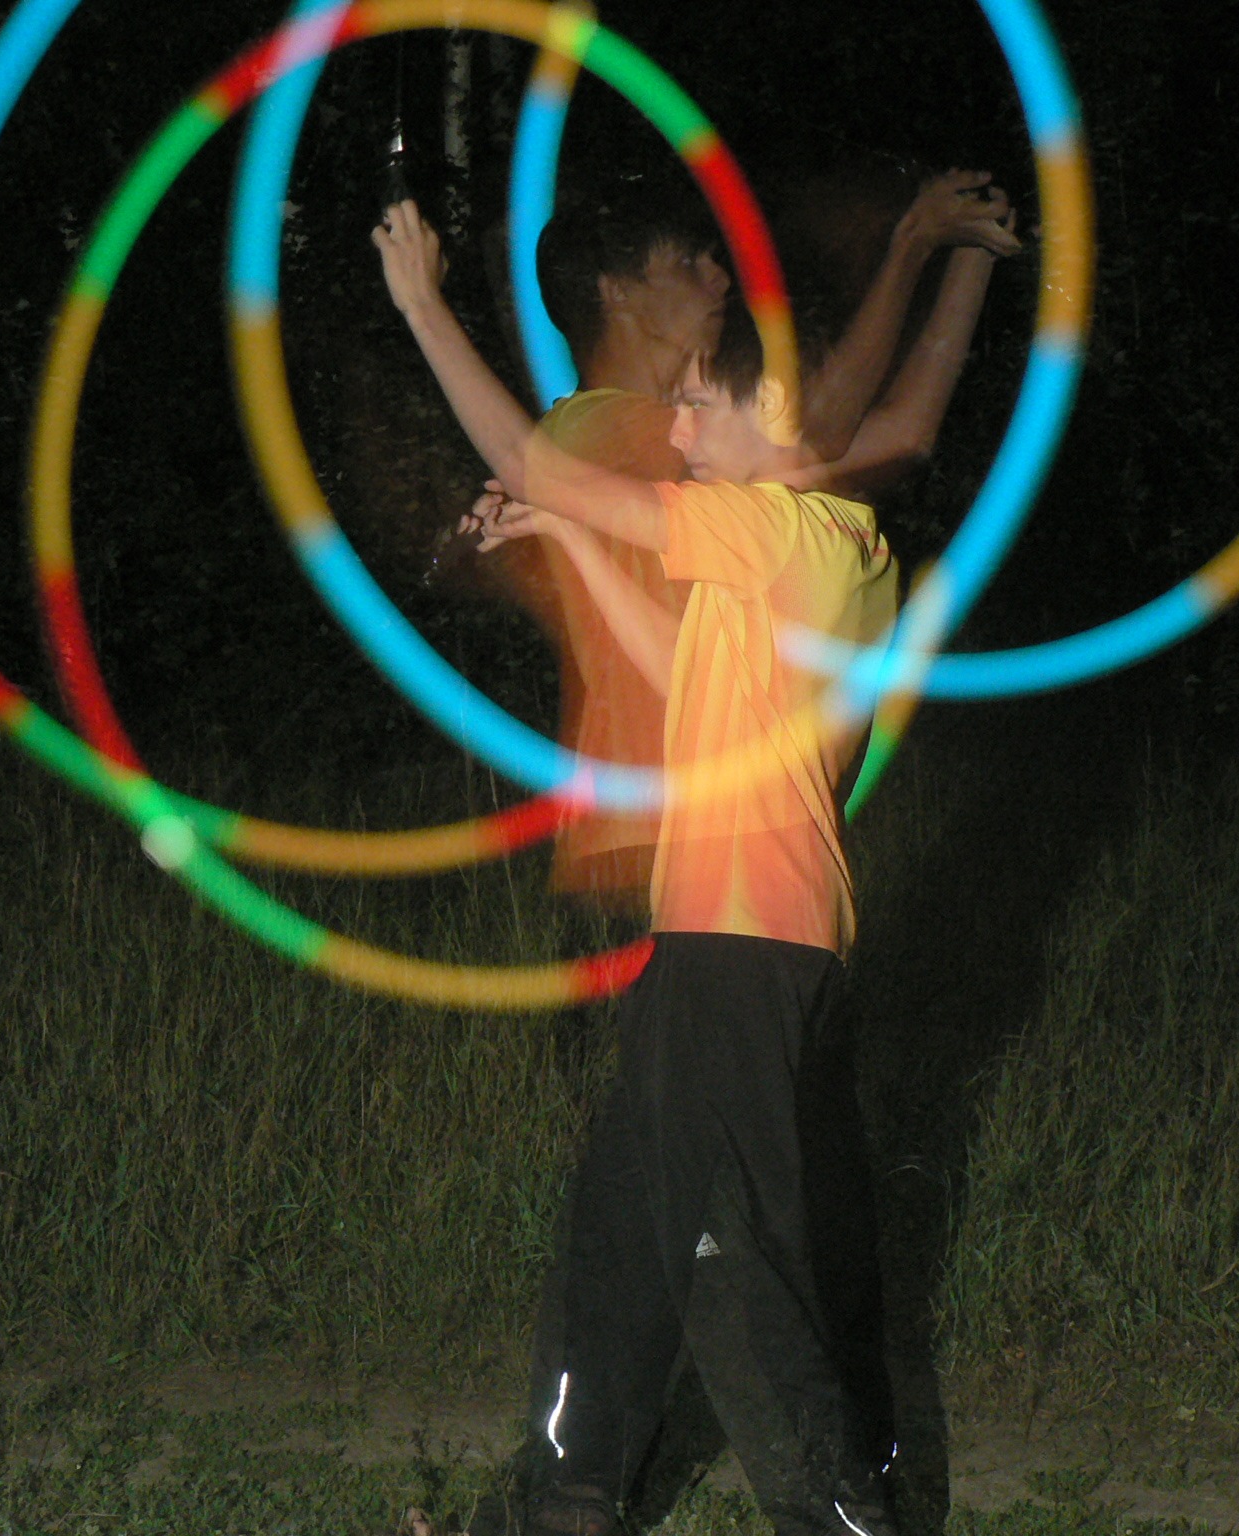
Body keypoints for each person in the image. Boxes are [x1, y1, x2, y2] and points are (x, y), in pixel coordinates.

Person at [376, 194, 944, 1535]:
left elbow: (528, 453)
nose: (677, 426)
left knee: (733, 1260)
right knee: (629, 1223)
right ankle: (565, 1501)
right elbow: (669, 666)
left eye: (699, 403)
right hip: (739, 937)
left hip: (740, 944)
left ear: (775, 418)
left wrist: (423, 309)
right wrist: (572, 540)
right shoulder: (811, 558)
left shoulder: (777, 531)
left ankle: (839, 1516)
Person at [483, 171, 1017, 911]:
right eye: (688, 263)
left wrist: (975, 251)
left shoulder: (696, 442)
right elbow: (815, 430)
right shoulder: (601, 431)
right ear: (617, 291)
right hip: (654, 838)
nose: (720, 279)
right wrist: (911, 244)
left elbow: (903, 432)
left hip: (714, 832)